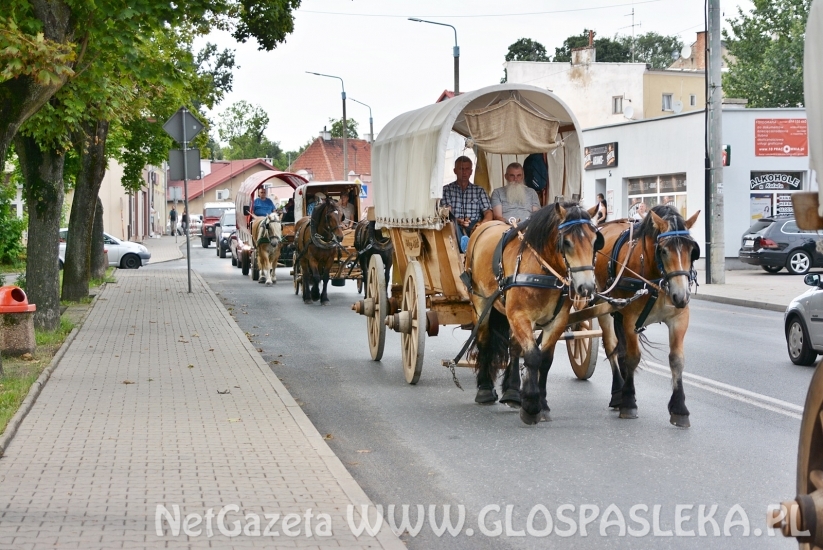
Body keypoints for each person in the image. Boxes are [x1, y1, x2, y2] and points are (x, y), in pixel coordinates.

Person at [440, 156, 492, 252]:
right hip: (455, 224)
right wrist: (458, 221)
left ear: (471, 171)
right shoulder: (446, 189)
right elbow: (447, 212)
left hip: (474, 225)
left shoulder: (479, 190)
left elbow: (488, 212)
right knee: (452, 225)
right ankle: (466, 249)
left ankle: (469, 247)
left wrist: (482, 224)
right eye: (461, 169)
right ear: (455, 171)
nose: (464, 172)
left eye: (467, 169)